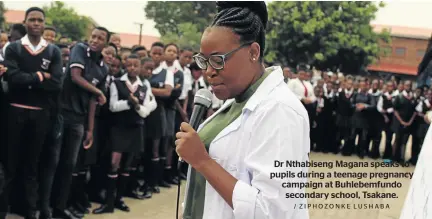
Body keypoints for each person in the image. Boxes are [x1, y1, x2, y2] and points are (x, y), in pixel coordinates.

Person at [176, 2, 310, 219]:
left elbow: (272, 213)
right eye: (204, 61)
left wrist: (203, 161)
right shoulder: (238, 100)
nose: (208, 72)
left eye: (218, 60)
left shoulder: (280, 111)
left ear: (253, 52)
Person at [0, 7, 63, 219]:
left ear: (44, 24)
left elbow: (56, 84)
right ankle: (4, 209)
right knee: (10, 165)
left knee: (32, 166)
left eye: (40, 20)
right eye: (32, 19)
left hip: (41, 115)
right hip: (14, 112)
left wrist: (26, 79)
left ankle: (29, 211)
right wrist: (38, 76)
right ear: (25, 22)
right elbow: (12, 78)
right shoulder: (14, 48)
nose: (36, 23)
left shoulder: (52, 51)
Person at [51, 26, 110, 219]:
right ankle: (45, 208)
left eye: (100, 38)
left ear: (106, 43)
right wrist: (99, 91)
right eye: (93, 36)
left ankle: (61, 207)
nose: (94, 40)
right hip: (61, 114)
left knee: (70, 165)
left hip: (79, 120)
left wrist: (90, 129)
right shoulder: (78, 49)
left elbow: (93, 101)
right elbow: (75, 76)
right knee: (53, 162)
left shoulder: (103, 68)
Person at [93, 54, 156, 214]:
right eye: (129, 65)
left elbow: (148, 106)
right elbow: (113, 106)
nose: (132, 68)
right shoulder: (117, 83)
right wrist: (130, 102)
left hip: (136, 127)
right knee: (114, 164)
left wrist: (139, 108)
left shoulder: (144, 85)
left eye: (136, 65)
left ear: (140, 67)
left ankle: (119, 199)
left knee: (128, 165)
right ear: (125, 66)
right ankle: (108, 202)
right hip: (119, 128)